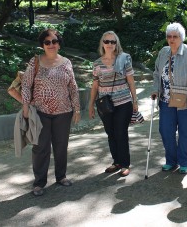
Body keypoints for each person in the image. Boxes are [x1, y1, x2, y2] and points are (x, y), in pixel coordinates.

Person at [21, 28, 81, 196]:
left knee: (61, 146)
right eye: (47, 42)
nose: (51, 44)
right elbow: (26, 84)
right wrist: (25, 106)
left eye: (54, 41)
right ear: (42, 45)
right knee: (40, 148)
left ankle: (61, 176)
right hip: (40, 112)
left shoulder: (67, 62)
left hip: (64, 111)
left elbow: (73, 87)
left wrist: (76, 109)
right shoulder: (36, 62)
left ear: (59, 44)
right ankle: (39, 183)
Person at [151, 23, 187, 174]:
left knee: (186, 133)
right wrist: (155, 89)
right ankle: (171, 160)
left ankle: (184, 162)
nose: (172, 39)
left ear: (182, 38)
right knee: (165, 130)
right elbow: (156, 73)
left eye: (175, 36)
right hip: (166, 100)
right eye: (169, 36)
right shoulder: (163, 52)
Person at [88, 31, 138, 177]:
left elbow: (130, 80)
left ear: (117, 44)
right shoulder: (97, 63)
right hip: (105, 104)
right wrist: (91, 105)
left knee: (121, 132)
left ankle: (125, 164)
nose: (109, 44)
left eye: (112, 41)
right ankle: (116, 162)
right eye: (107, 41)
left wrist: (135, 100)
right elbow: (95, 86)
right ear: (102, 43)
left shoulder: (124, 59)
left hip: (123, 102)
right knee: (110, 133)